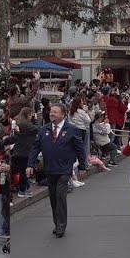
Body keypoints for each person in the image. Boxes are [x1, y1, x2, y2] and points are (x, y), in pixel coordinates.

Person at [25, 102, 87, 238]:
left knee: (60, 195)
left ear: (63, 114)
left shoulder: (71, 129)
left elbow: (80, 148)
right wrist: (30, 165)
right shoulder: (44, 129)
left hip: (64, 169)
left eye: (55, 112)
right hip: (50, 169)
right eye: (51, 111)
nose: (52, 114)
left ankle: (61, 226)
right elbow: (35, 147)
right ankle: (57, 223)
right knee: (53, 197)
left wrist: (83, 166)